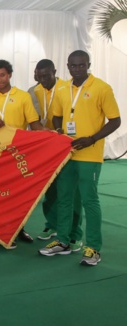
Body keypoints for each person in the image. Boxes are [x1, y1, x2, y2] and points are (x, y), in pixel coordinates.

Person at [40, 50, 121, 266]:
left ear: (88, 65)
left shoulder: (102, 88)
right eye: (73, 66)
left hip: (90, 154)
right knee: (65, 198)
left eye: (81, 65)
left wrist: (92, 139)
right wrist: (59, 132)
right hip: (66, 154)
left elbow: (115, 121)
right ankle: (63, 241)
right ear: (67, 66)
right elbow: (57, 116)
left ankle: (93, 247)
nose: (77, 69)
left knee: (89, 200)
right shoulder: (63, 89)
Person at [0, 59, 42, 248]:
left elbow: (34, 124)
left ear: (9, 75)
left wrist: (50, 136)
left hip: (18, 154)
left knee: (17, 195)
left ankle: (18, 229)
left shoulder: (23, 96)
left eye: (2, 75)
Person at [33, 59, 84, 246]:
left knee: (71, 192)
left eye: (47, 75)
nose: (44, 79)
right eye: (40, 76)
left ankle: (74, 232)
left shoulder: (66, 88)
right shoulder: (35, 91)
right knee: (49, 189)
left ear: (55, 71)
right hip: (45, 148)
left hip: (68, 146)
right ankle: (52, 224)